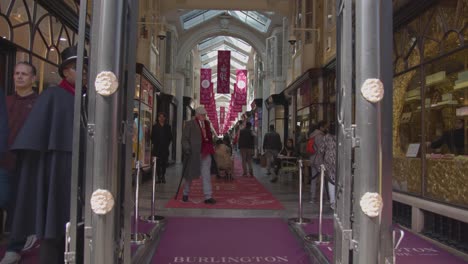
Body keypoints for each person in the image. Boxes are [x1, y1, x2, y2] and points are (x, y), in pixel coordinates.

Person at [9, 46, 88, 264]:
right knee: (56, 223)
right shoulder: (53, 94)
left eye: (86, 68)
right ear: (65, 72)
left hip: (77, 170)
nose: (83, 72)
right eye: (77, 67)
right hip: (57, 169)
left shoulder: (83, 98)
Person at [0, 62, 39, 264]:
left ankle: (14, 249)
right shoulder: (5, 101)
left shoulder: (39, 103)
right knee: (4, 199)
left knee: (18, 205)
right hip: (4, 161)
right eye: (16, 73)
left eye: (24, 74)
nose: (19, 77)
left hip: (26, 163)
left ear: (33, 79)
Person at [181, 106, 216, 204]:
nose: (203, 116)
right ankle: (185, 193)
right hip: (193, 153)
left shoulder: (207, 124)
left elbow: (209, 136)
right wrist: (187, 148)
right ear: (197, 115)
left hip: (206, 152)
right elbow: (184, 139)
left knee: (206, 175)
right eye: (201, 114)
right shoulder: (190, 124)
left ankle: (208, 196)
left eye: (204, 114)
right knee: (190, 175)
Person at [309, 120, 328, 203]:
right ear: (321, 127)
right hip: (319, 159)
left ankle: (312, 197)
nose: (326, 128)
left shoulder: (312, 135)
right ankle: (324, 197)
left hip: (312, 158)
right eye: (325, 127)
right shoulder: (320, 136)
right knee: (323, 178)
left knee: (314, 178)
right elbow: (322, 149)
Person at [151, 112, 172, 183]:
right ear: (158, 118)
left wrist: (166, 144)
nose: (161, 118)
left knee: (164, 163)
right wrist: (155, 143)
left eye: (163, 117)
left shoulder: (168, 127)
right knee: (157, 163)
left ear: (165, 118)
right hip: (157, 148)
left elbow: (170, 137)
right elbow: (152, 137)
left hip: (164, 148)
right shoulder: (155, 126)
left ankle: (163, 176)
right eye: (160, 117)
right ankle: (158, 177)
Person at [319, 126, 336, 210]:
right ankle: (339, 200)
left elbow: (321, 150)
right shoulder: (341, 136)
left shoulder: (326, 137)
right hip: (341, 160)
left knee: (331, 181)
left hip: (329, 162)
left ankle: (332, 202)